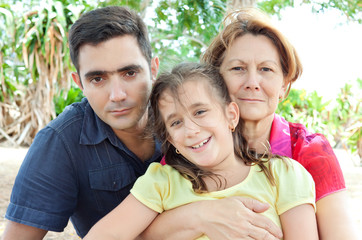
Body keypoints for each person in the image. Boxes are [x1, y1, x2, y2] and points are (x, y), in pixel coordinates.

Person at [142, 7, 358, 240]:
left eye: (266, 69)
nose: (252, 82)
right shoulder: (192, 144)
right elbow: (139, 233)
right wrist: (202, 215)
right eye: (238, 69)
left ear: (284, 86)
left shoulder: (309, 151)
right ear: (215, 80)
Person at [84, 62, 318, 240]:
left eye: (200, 112)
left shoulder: (283, 175)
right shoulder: (161, 183)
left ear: (231, 115)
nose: (191, 130)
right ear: (170, 139)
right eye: (175, 123)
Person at [2, 6, 161, 239]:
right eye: (98, 79)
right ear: (80, 83)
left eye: (129, 73)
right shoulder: (61, 142)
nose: (117, 95)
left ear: (153, 69)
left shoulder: (190, 116)